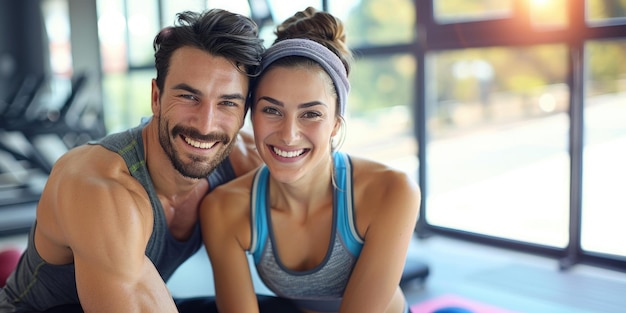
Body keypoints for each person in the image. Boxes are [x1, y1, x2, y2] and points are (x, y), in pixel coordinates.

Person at [0, 9, 265, 313]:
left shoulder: (244, 160)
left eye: (227, 103)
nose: (205, 125)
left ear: (243, 114)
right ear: (156, 97)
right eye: (189, 97)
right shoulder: (99, 188)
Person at [200, 7, 421, 313]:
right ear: (251, 115)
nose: (289, 135)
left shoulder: (391, 191)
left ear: (335, 124)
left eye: (311, 114)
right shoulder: (224, 209)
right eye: (272, 110)